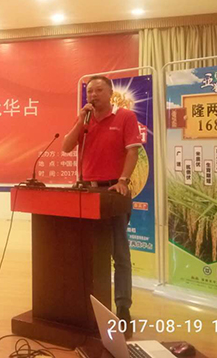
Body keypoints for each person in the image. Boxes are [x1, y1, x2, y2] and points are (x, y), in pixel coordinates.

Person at [62, 75, 142, 336]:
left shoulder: (125, 117)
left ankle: (123, 309)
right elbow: (66, 147)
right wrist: (80, 122)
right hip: (87, 191)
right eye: (89, 92)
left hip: (113, 193)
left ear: (110, 94)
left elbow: (133, 152)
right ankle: (89, 307)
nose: (93, 95)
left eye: (98, 90)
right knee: (88, 254)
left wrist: (123, 180)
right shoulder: (84, 119)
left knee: (120, 254)